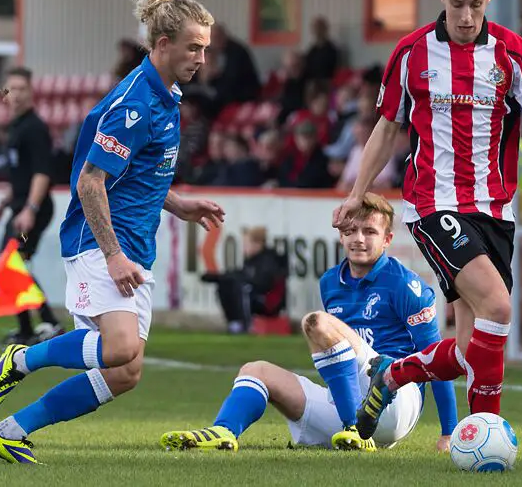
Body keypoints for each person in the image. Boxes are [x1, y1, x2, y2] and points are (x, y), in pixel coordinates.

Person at [331, 0, 522, 439]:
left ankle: (391, 374)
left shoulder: (512, 53)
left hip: (495, 210)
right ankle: (486, 430)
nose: (466, 16)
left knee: (467, 351)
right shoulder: (412, 52)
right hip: (434, 205)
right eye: (458, 3)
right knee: (500, 309)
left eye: (477, 5)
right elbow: (386, 127)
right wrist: (358, 192)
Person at [0, 0, 225, 464]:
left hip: (133, 243)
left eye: (206, 48)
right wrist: (113, 254)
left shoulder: (166, 95)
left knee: (126, 372)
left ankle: (10, 431)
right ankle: (21, 359)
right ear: (164, 43)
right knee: (120, 346)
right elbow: (92, 182)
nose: (202, 58)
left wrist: (179, 205)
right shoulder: (134, 103)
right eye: (194, 48)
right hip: (99, 240)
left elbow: (135, 177)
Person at [160, 193, 457, 452]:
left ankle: (356, 427)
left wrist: (448, 433)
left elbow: (437, 359)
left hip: (397, 400)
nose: (359, 239)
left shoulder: (407, 286)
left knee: (318, 323)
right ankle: (224, 431)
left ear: (387, 239)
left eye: (370, 231)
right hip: (348, 404)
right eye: (351, 230)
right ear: (341, 236)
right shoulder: (330, 282)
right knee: (256, 370)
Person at [0, 67, 65, 344]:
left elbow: (42, 173)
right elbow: (21, 173)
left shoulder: (34, 128)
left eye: (22, 89)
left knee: (12, 264)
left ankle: (48, 324)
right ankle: (31, 328)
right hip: (20, 205)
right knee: (12, 266)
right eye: (11, 89)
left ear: (31, 92)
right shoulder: (17, 127)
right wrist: (4, 204)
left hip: (34, 208)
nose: (16, 95)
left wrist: (30, 209)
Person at [202, 226, 288, 334]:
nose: (244, 248)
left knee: (244, 288)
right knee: (225, 285)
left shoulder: (269, 260)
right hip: (256, 298)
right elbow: (242, 275)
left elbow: (261, 283)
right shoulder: (251, 260)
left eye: (246, 244)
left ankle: (246, 326)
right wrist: (219, 278)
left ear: (258, 244)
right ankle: (234, 323)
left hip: (269, 303)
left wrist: (235, 279)